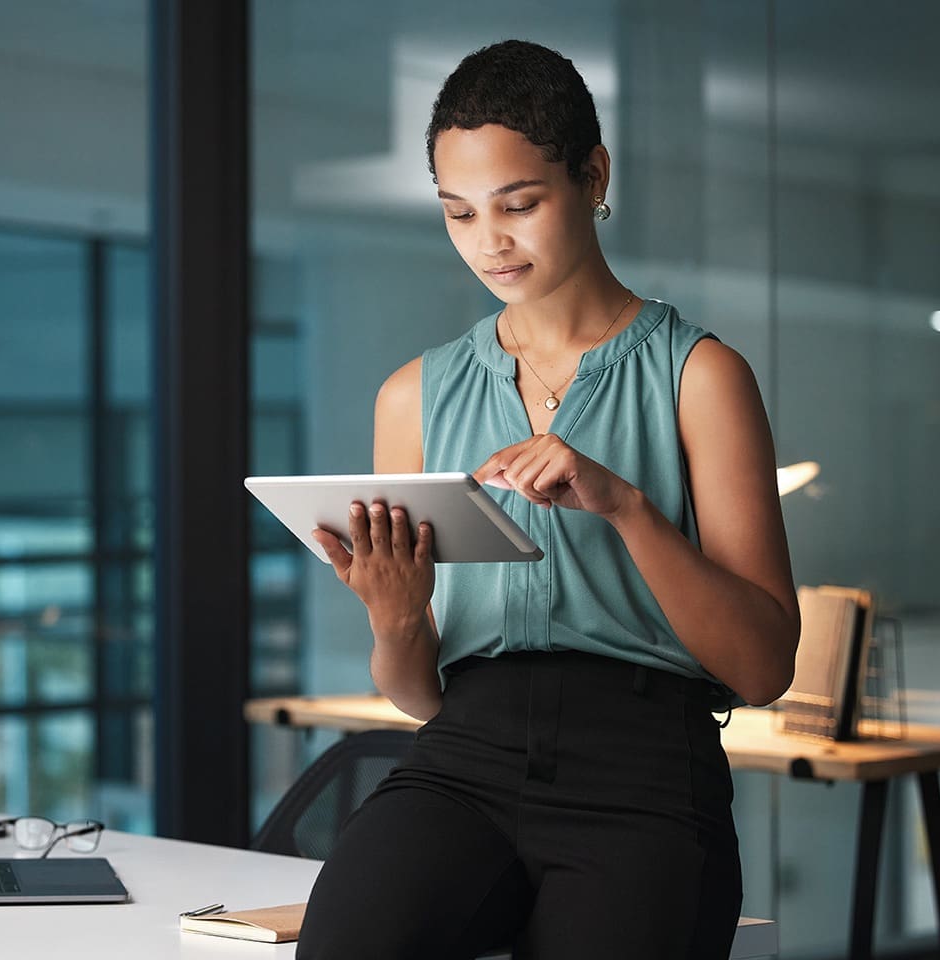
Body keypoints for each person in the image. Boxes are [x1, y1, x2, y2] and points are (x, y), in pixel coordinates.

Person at [296, 39, 799, 960]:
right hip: (463, 762)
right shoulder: (412, 396)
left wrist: (625, 507)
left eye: (520, 204)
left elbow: (765, 667)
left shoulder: (701, 379)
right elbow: (417, 698)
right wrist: (398, 620)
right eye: (460, 214)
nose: (490, 241)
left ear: (592, 175)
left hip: (645, 771)